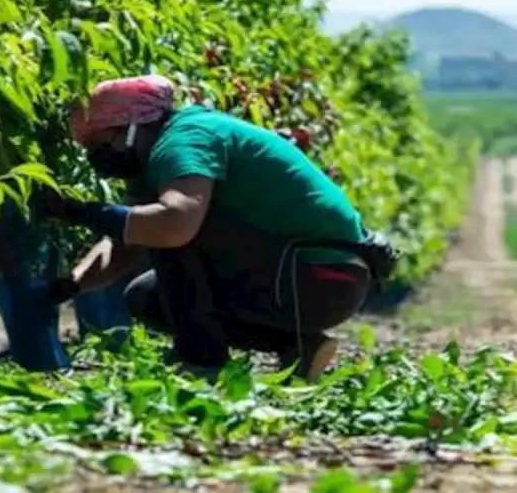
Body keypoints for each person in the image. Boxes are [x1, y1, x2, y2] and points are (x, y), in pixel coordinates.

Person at [40, 74, 396, 383]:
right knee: (146, 297)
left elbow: (174, 226)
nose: (97, 156)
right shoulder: (161, 157)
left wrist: (79, 212)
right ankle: (298, 346)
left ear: (132, 127)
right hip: (322, 279)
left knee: (178, 227)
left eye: (100, 144)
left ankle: (202, 365)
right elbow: (128, 238)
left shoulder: (182, 143)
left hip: (317, 276)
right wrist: (72, 284)